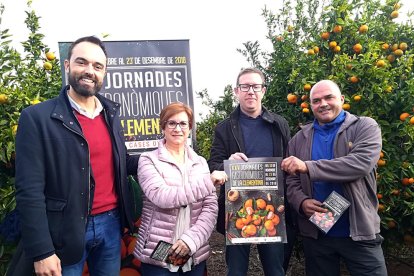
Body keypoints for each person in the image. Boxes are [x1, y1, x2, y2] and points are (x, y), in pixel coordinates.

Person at [12, 36, 139, 276]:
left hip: (111, 226)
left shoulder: (110, 114)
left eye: (97, 66)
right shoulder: (37, 118)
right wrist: (41, 251)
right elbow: (29, 191)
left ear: (104, 73)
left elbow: (120, 162)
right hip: (64, 231)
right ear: (67, 65)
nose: (89, 71)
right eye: (82, 62)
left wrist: (168, 159)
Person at [281, 80, 387, 276]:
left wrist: (307, 166)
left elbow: (359, 164)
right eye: (316, 100)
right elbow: (291, 182)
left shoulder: (364, 127)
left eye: (329, 97)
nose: (323, 104)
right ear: (311, 105)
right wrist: (301, 202)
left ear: (342, 99)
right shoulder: (299, 139)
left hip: (358, 231)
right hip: (318, 233)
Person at [208, 68, 293, 276]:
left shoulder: (279, 124)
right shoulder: (224, 128)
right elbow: (213, 165)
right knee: (236, 270)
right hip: (237, 208)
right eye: (245, 87)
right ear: (236, 91)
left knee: (275, 269)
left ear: (263, 91)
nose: (250, 91)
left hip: (272, 206)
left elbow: (288, 161)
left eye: (255, 86)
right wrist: (228, 163)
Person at [134, 102, 224, 276]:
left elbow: (210, 208)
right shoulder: (148, 160)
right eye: (171, 123)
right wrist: (208, 182)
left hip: (191, 250)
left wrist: (190, 240)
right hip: (159, 251)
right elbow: (162, 197)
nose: (177, 128)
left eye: (183, 123)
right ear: (163, 127)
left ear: (189, 128)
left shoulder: (199, 163)